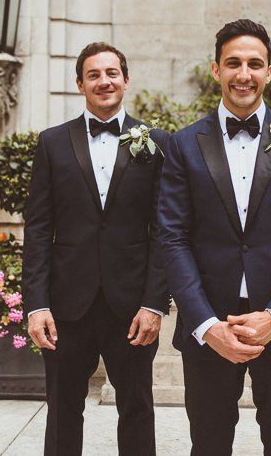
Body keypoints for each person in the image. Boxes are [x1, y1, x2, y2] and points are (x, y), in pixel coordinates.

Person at [156, 19, 271, 455]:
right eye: (233, 63)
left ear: (269, 72)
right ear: (215, 69)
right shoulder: (183, 145)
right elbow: (172, 236)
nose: (244, 73)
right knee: (210, 444)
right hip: (210, 326)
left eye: (255, 64)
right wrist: (205, 324)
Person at [22, 41, 169, 456]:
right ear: (79, 85)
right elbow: (38, 228)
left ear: (125, 79)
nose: (103, 81)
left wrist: (155, 303)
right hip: (66, 305)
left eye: (111, 73)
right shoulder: (52, 143)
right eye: (93, 75)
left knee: (138, 407)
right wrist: (36, 305)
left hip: (132, 307)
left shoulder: (156, 142)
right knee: (63, 408)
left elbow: (165, 231)